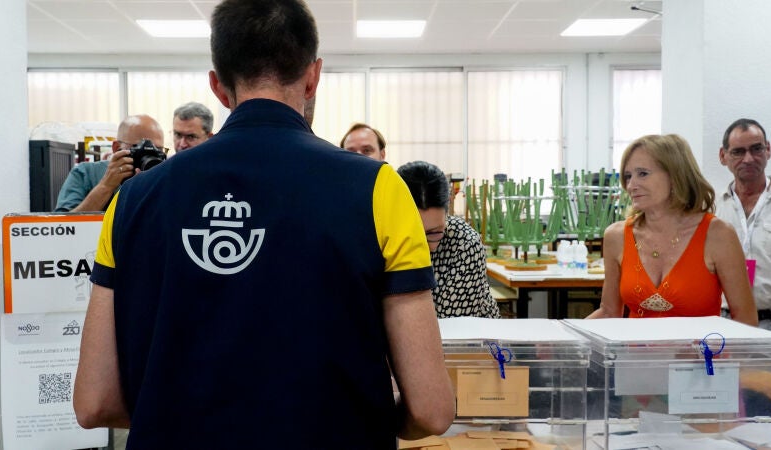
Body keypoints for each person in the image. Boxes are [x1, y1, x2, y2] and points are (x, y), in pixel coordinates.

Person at [73, 0, 455, 448]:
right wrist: (370, 418)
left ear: (218, 87)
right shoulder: (380, 190)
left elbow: (94, 402)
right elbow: (430, 410)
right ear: (313, 76)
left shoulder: (132, 200)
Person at [587, 134, 758, 326]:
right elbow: (609, 312)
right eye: (628, 176)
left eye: (643, 173)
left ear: (675, 176)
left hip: (700, 346)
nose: (631, 185)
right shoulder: (616, 236)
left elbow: (746, 320)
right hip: (635, 346)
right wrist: (564, 334)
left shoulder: (718, 235)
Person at [397, 161, 500, 319]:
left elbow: (453, 322)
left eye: (434, 232)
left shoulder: (465, 243)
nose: (424, 245)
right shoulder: (381, 237)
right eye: (414, 234)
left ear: (447, 213)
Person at [717, 118, 771, 331]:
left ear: (768, 150)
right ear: (723, 156)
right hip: (725, 323)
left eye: (756, 149)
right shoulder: (712, 208)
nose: (748, 159)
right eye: (738, 152)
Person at [54, 114, 164, 212]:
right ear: (117, 148)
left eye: (157, 150)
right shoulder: (86, 173)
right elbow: (64, 225)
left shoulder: (164, 177)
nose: (150, 157)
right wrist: (106, 185)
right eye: (141, 149)